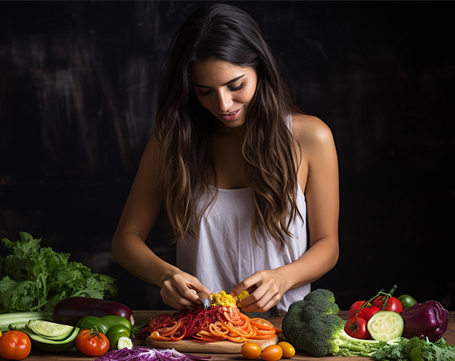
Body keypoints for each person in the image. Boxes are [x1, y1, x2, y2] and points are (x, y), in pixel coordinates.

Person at [111, 3, 339, 317]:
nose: (223, 104)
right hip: (201, 333)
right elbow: (125, 240)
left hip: (284, 334)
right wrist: (166, 275)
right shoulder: (171, 139)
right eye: (204, 91)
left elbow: (328, 244)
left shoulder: (312, 137)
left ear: (260, 68)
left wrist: (283, 278)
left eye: (236, 86)